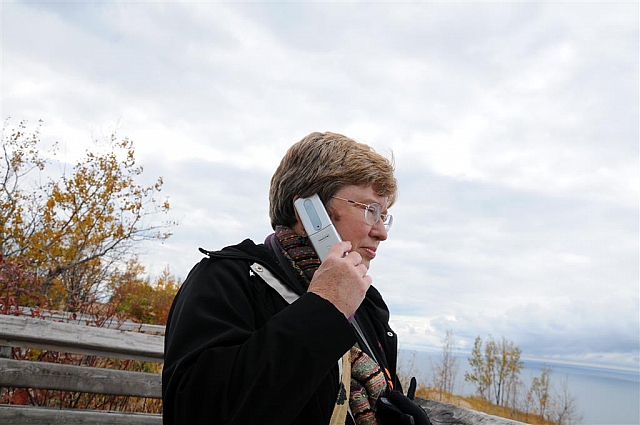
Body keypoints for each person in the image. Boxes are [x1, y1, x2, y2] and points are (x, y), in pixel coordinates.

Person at [162, 132, 430, 425]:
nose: (382, 232)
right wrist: (324, 308)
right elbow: (198, 412)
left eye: (385, 216)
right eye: (370, 210)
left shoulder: (365, 303)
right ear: (309, 211)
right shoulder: (225, 280)